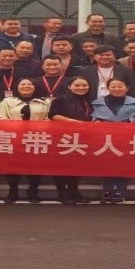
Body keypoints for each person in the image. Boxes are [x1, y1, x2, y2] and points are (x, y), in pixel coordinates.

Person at [91, 78, 135, 204]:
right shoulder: (97, 103)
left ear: (127, 88)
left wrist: (128, 124)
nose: (117, 89)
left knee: (124, 164)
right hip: (105, 139)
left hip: (127, 139)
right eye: (113, 87)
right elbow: (93, 120)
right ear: (108, 88)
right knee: (106, 164)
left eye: (120, 86)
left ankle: (120, 190)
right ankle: (107, 189)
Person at [0, 78, 50, 204]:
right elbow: (1, 118)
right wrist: (17, 128)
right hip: (14, 139)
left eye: (30, 84)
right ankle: (13, 192)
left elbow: (49, 118)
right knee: (12, 167)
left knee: (35, 167)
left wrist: (37, 128)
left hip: (36, 138)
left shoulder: (45, 101)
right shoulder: (7, 101)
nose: (26, 86)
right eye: (23, 84)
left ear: (35, 87)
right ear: (17, 87)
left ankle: (33, 192)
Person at [48, 76, 96, 204]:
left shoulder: (89, 101)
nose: (81, 88)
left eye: (84, 85)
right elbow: (52, 115)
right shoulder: (60, 100)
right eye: (77, 85)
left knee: (78, 166)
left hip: (82, 138)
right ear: (69, 86)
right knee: (61, 166)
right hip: (62, 137)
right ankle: (62, 192)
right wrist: (73, 122)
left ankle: (74, 191)